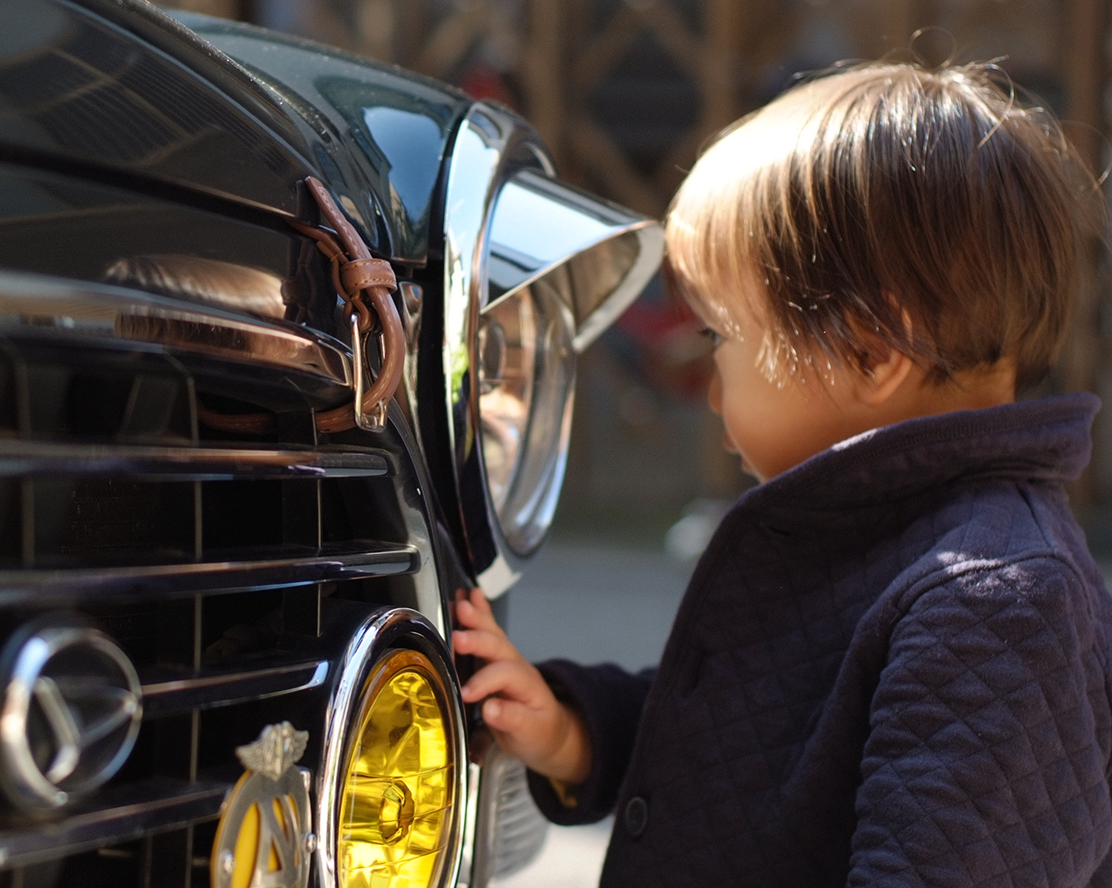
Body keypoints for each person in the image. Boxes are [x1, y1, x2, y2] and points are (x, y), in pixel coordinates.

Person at [454, 61, 1112, 886]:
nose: (711, 377)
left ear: (872, 351)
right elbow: (744, 748)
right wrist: (569, 733)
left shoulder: (997, 602)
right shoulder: (872, 535)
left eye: (718, 336)